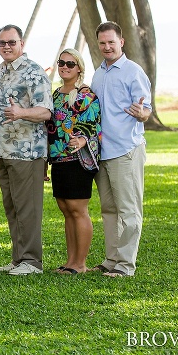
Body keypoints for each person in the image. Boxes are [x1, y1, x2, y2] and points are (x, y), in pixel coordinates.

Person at [0, 24, 53, 276]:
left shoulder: (33, 72)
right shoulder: (2, 72)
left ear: (21, 44)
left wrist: (21, 112)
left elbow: (46, 111)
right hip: (3, 151)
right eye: (2, 43)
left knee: (28, 208)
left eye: (11, 42)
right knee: (12, 208)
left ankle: (32, 261)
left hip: (26, 153)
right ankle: (18, 259)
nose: (6, 47)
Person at [90, 21, 152, 278]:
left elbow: (146, 110)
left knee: (128, 211)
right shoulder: (98, 73)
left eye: (111, 42)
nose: (107, 47)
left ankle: (126, 266)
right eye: (102, 43)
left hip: (125, 151)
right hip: (102, 152)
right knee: (109, 210)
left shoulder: (133, 72)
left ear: (121, 42)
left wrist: (142, 113)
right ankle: (111, 259)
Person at [46, 48, 102, 275]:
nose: (65, 67)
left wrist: (81, 139)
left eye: (70, 64)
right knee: (65, 209)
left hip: (78, 159)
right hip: (58, 158)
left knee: (78, 210)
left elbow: (93, 124)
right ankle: (70, 262)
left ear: (79, 67)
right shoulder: (56, 95)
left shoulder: (86, 95)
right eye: (62, 63)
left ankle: (80, 264)